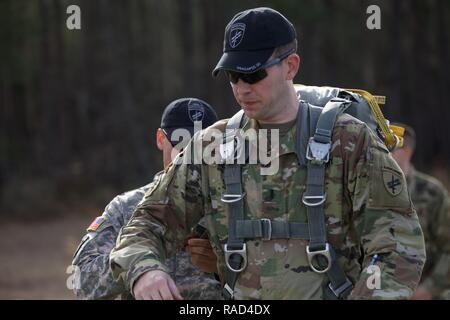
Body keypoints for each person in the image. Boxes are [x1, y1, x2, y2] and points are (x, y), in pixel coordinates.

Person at [110, 7, 425, 300]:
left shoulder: (349, 142)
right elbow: (148, 221)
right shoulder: (211, 147)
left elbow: (398, 244)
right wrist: (144, 270)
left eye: (254, 74)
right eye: (234, 76)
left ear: (291, 66)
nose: (242, 88)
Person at [71, 98, 222, 299]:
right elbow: (81, 280)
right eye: (182, 146)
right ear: (160, 139)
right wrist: (137, 263)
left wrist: (224, 264)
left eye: (200, 148)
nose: (189, 158)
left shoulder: (233, 205)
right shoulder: (127, 207)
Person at [391, 123, 450, 300]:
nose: (384, 155)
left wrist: (429, 289)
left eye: (391, 149)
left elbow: (447, 248)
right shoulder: (368, 191)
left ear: (407, 151)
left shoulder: (432, 194)